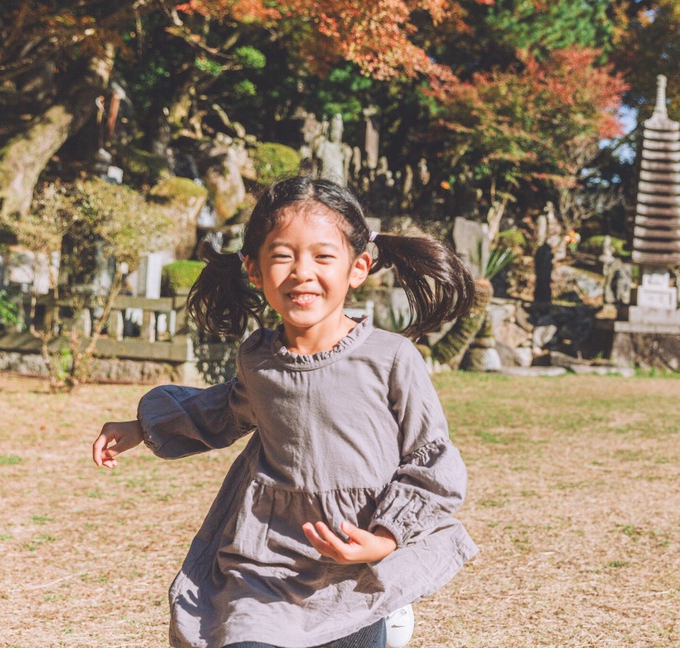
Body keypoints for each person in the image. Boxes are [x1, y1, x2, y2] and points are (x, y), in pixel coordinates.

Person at [92, 176, 478, 648]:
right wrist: (143, 427)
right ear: (253, 271)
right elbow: (227, 409)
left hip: (355, 562)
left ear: (357, 268)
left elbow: (430, 457)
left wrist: (385, 538)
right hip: (264, 559)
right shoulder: (257, 359)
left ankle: (390, 613)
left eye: (322, 256)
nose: (301, 271)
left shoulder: (391, 357)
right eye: (282, 255)